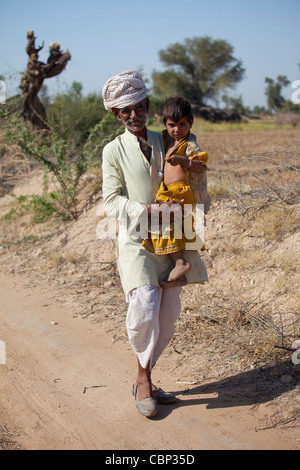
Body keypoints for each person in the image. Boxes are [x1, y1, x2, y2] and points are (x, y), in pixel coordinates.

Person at [101, 71, 208, 418]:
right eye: (124, 111)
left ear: (147, 107)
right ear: (116, 116)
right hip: (136, 240)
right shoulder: (112, 151)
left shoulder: (167, 140)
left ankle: (145, 377)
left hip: (173, 236)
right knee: (145, 308)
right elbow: (111, 201)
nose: (133, 115)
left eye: (138, 107)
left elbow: (194, 169)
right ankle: (142, 381)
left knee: (167, 316)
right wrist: (145, 209)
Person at [141, 95, 211, 289]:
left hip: (181, 194)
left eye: (182, 125)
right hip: (166, 193)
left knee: (166, 223)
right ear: (165, 123)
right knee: (162, 227)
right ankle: (178, 271)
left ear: (191, 123)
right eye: (172, 125)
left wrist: (184, 161)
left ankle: (181, 263)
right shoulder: (164, 139)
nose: (177, 130)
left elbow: (201, 165)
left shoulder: (189, 144)